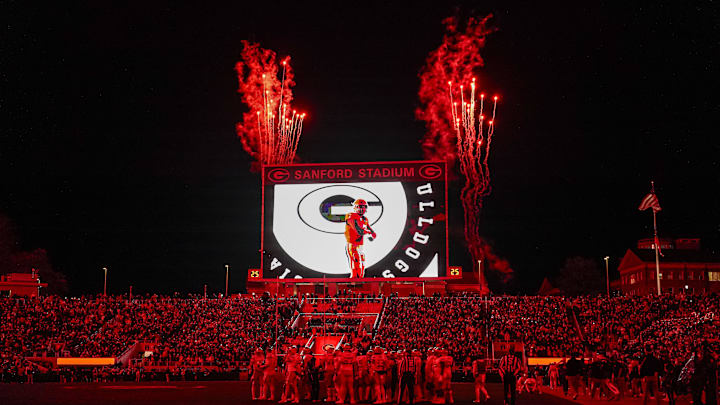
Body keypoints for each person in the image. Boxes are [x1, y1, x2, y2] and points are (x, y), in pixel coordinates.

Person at [344, 199, 376, 279]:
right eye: (359, 207)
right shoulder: (351, 216)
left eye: (363, 207)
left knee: (362, 260)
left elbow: (372, 232)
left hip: (360, 244)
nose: (361, 209)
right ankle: (354, 277)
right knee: (355, 259)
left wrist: (372, 234)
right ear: (355, 207)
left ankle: (360, 278)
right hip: (352, 243)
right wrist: (368, 232)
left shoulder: (364, 219)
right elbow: (358, 230)